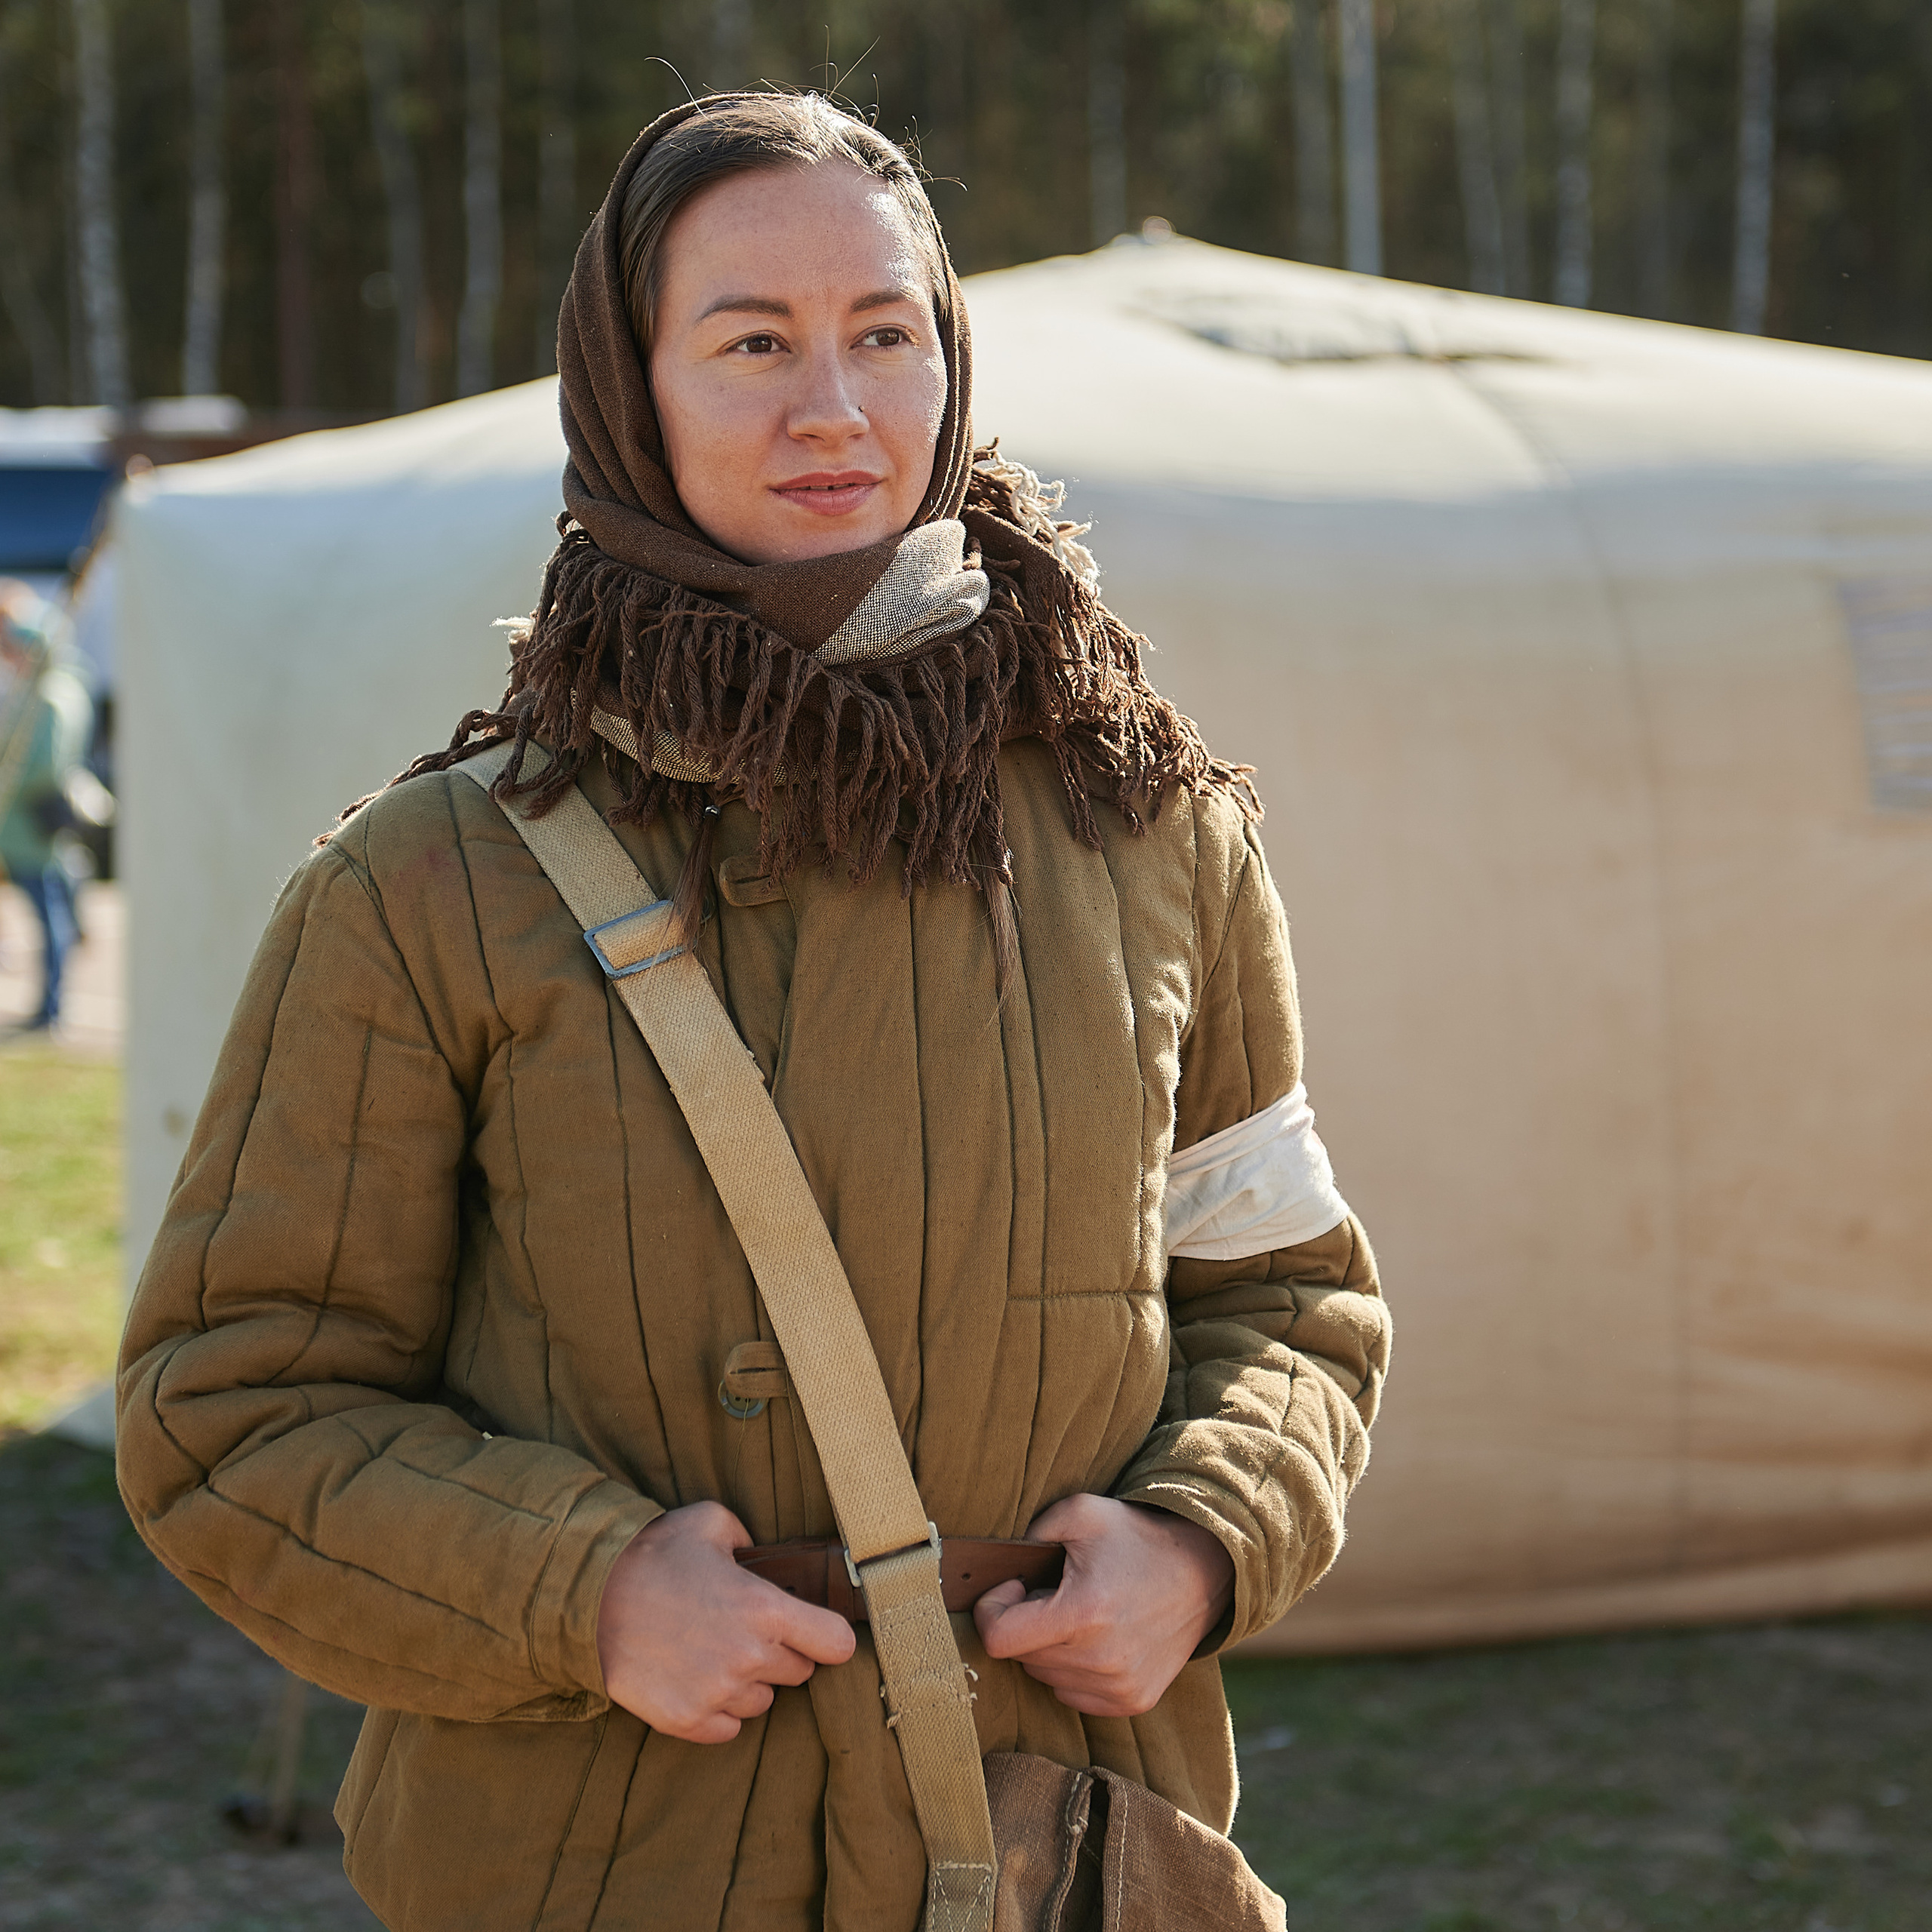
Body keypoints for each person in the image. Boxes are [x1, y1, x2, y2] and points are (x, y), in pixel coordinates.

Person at [116, 93, 1390, 1930]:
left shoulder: (1154, 831)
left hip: (1044, 1841)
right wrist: (582, 1589)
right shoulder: (427, 882)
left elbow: (1288, 1300)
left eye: (884, 333)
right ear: (627, 391)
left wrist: (1200, 1538)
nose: (835, 409)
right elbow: (232, 1405)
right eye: (751, 344)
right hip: (600, 1861)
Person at [0, 583, 94, 1034]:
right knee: (51, 907)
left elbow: (43, 766)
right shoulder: (57, 690)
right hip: (31, 822)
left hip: (31, 824)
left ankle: (52, 1007)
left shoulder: (50, 697)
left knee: (47, 913)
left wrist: (7, 782)